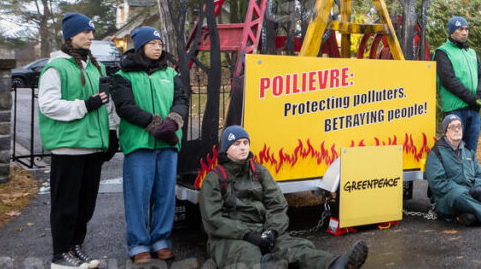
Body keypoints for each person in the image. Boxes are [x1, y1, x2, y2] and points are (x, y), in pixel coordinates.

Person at [200, 126, 369, 269]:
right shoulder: (214, 179)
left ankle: (335, 264)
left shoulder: (259, 171)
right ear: (226, 149)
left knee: (294, 248)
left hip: (263, 230)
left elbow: (277, 205)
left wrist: (272, 231)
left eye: (245, 143)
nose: (243, 147)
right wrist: (247, 235)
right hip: (232, 237)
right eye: (236, 144)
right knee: (247, 256)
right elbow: (212, 219)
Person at [38, 13, 119, 269]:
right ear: (70, 35)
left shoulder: (96, 67)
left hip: (93, 145)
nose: (90, 36)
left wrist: (112, 133)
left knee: (85, 205)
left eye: (92, 32)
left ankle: (75, 247)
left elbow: (107, 105)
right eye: (85, 32)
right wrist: (84, 105)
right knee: (66, 205)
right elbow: (48, 105)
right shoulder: (56, 68)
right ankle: (60, 254)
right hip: (68, 146)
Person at [110, 27, 187, 263]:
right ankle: (139, 244)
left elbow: (181, 100)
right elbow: (125, 107)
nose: (158, 47)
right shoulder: (123, 76)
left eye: (160, 44)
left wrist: (173, 122)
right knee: (138, 195)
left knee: (165, 194)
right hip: (139, 143)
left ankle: (161, 240)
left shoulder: (170, 74)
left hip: (167, 144)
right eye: (153, 43)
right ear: (140, 46)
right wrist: (154, 125)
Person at [424, 114, 481, 226]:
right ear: (446, 132)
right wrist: (465, 191)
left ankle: (469, 215)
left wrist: (479, 188)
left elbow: (479, 175)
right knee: (458, 194)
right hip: (448, 199)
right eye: (452, 127)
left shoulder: (468, 151)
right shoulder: (436, 153)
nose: (457, 129)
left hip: (471, 196)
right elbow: (438, 184)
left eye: (459, 126)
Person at [434, 15, 481, 152]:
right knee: (454, 151)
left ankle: (469, 174)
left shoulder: (472, 53)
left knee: (471, 152)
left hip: (473, 109)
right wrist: (471, 99)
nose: (464, 32)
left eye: (466, 29)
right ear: (451, 31)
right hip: (454, 110)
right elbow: (448, 80)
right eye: (460, 29)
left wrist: (480, 95)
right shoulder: (442, 52)